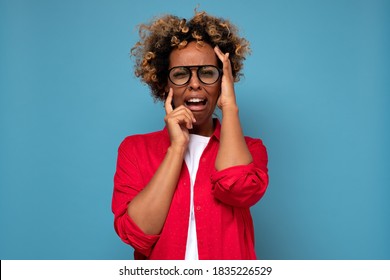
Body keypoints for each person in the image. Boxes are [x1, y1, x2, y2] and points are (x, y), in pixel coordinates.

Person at [112, 10, 269, 260]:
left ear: (223, 81)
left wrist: (229, 107)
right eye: (181, 74)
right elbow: (138, 233)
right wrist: (177, 148)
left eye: (207, 73)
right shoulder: (134, 149)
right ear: (165, 83)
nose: (194, 84)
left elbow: (237, 189)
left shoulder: (251, 149)